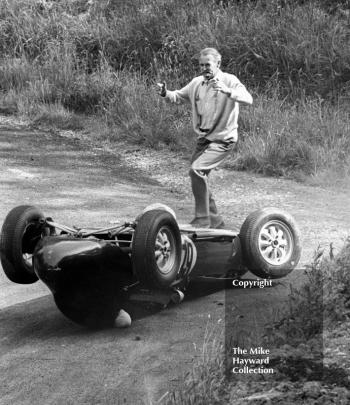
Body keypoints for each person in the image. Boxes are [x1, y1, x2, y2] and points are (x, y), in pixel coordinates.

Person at [157, 47, 253, 228]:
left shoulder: (229, 80)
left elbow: (248, 99)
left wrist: (227, 91)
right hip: (204, 139)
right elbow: (177, 96)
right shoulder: (197, 83)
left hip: (223, 140)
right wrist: (165, 92)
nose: (204, 68)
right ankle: (216, 224)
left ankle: (202, 219)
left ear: (218, 63)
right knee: (198, 177)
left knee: (197, 171)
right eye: (201, 65)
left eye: (207, 64)